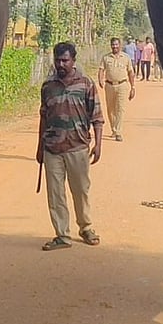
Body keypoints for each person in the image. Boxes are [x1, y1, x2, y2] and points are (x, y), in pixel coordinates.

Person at [37, 42, 103, 251]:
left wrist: (98, 144)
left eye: (65, 60)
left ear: (74, 61)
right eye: (57, 60)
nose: (60, 64)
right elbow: (43, 118)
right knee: (55, 194)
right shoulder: (48, 87)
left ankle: (86, 227)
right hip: (52, 148)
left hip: (78, 147)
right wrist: (39, 147)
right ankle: (62, 235)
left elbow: (97, 117)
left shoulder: (86, 84)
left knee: (80, 190)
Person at [97, 37, 135, 142]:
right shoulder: (106, 58)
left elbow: (130, 73)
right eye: (113, 45)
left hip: (122, 85)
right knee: (110, 109)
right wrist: (100, 79)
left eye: (116, 44)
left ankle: (118, 131)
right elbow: (101, 70)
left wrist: (133, 87)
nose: (115, 46)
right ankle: (113, 129)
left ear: (120, 45)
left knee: (120, 108)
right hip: (109, 86)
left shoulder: (126, 58)